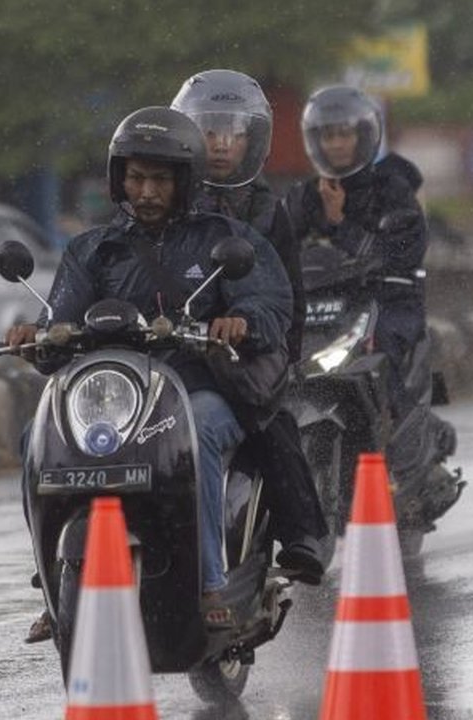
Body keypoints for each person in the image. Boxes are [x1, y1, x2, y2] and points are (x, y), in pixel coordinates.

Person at [8, 106, 293, 634]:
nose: (146, 191)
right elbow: (59, 319)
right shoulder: (93, 250)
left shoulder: (223, 240)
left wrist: (239, 320)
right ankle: (51, 586)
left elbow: (270, 305)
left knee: (202, 431)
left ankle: (210, 584)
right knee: (34, 439)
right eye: (136, 178)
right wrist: (35, 337)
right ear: (120, 180)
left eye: (159, 179)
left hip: (201, 384)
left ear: (184, 182)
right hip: (115, 397)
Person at [171, 68, 328, 578]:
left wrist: (286, 354)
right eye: (208, 132)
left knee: (268, 423)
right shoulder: (167, 203)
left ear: (249, 140)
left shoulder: (266, 210)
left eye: (231, 133)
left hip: (250, 348)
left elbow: (291, 293)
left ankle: (303, 533)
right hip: (174, 348)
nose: (219, 144)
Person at [280, 84, 427, 421]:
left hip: (388, 301)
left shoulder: (392, 188)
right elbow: (276, 245)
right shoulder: (305, 195)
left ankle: (404, 450)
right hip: (322, 304)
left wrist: (338, 222)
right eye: (328, 136)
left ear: (363, 136)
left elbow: (400, 253)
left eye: (344, 134)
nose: (336, 144)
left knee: (382, 356)